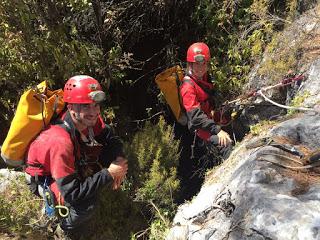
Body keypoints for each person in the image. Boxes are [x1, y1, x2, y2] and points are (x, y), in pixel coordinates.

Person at [25, 75, 128, 238]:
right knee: (86, 205)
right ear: (71, 107)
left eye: (95, 105)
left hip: (71, 160)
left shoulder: (89, 120)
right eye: (86, 106)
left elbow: (110, 137)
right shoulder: (60, 141)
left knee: (107, 155)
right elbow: (72, 193)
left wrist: (118, 160)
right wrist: (109, 174)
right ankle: (62, 228)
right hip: (45, 177)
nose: (93, 112)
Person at [176, 42, 233, 201]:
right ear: (190, 64)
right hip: (201, 130)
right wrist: (217, 130)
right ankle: (231, 181)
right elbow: (195, 117)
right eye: (196, 64)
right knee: (226, 143)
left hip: (209, 120)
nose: (200, 68)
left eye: (203, 64)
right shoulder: (188, 87)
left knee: (232, 119)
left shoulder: (204, 78)